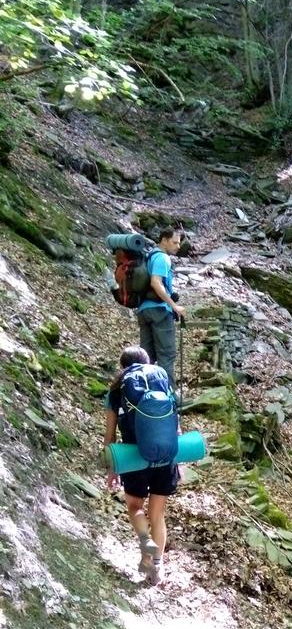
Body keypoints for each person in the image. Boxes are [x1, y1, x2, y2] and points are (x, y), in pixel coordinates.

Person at [103, 346, 180, 585]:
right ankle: (157, 567)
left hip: (134, 457)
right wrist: (178, 463)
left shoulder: (117, 391)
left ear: (123, 366)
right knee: (158, 514)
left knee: (135, 506)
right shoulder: (161, 379)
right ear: (147, 361)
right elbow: (175, 423)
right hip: (166, 456)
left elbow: (110, 435)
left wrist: (112, 467)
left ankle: (144, 539)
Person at [136, 227, 187, 389]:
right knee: (166, 356)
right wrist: (174, 306)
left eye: (179, 243)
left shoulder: (149, 256)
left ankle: (145, 395)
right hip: (159, 311)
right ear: (164, 240)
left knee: (146, 357)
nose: (178, 246)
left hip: (144, 310)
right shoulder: (162, 258)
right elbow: (156, 283)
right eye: (175, 242)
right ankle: (168, 398)